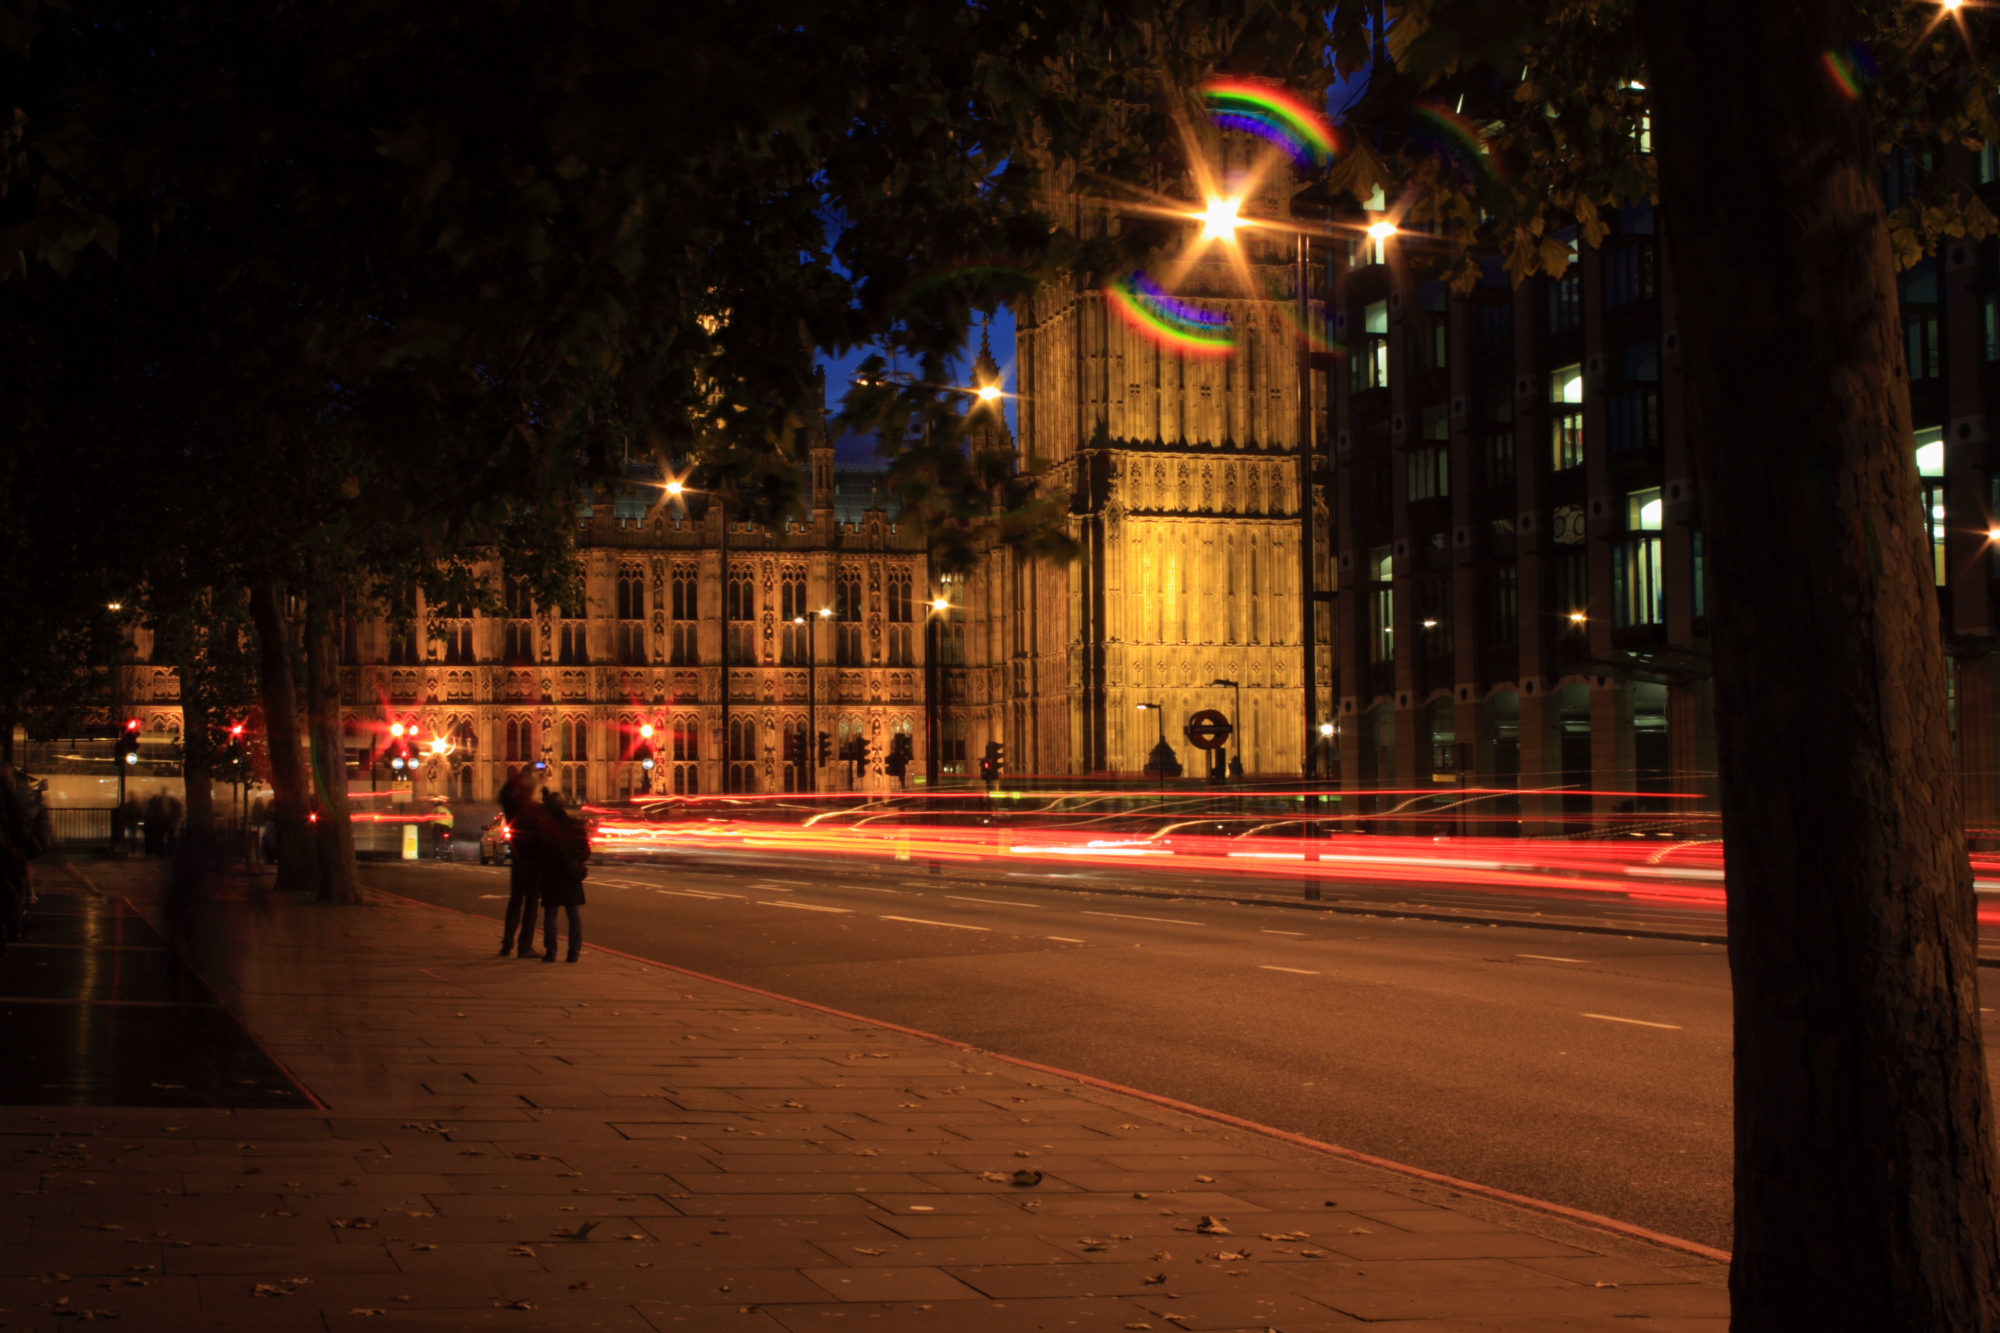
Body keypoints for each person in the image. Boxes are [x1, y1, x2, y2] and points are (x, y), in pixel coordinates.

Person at [537, 789, 589, 963]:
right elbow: (585, 849)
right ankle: (574, 953)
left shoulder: (544, 827)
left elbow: (539, 852)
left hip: (551, 873)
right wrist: (576, 861)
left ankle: (551, 952)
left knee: (551, 913)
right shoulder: (575, 824)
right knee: (573, 913)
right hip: (570, 872)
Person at [497, 771, 545, 957]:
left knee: (516, 901)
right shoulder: (536, 811)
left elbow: (503, 795)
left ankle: (507, 944)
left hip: (519, 860)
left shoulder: (513, 808)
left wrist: (515, 778)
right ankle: (524, 946)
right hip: (534, 863)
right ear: (532, 792)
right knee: (531, 904)